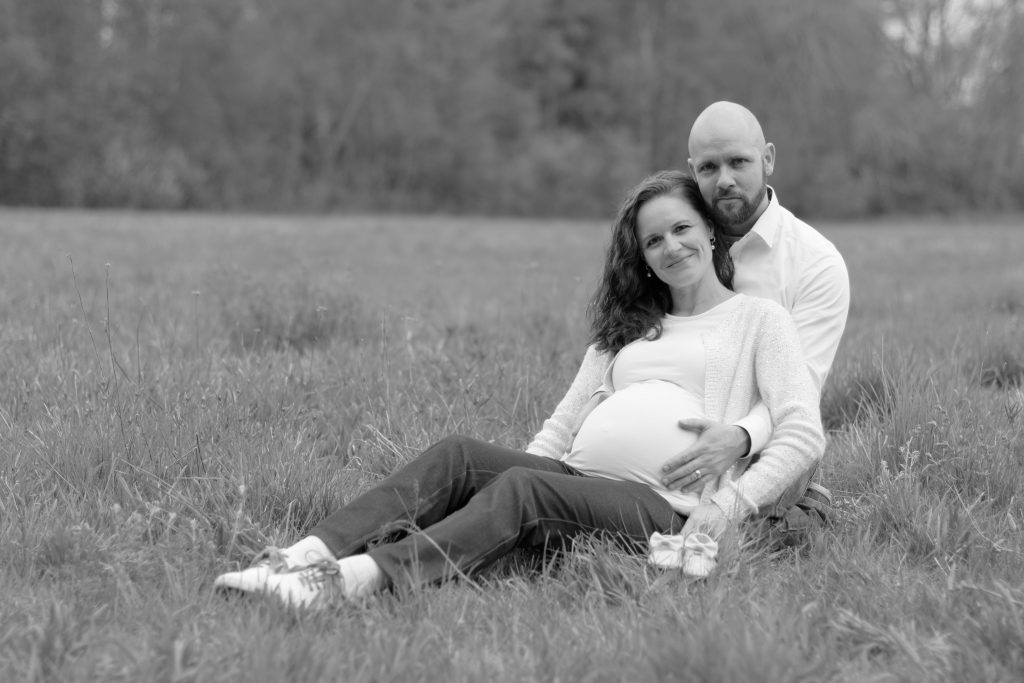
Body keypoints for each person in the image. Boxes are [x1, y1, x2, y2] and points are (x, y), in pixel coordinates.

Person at [213, 171, 825, 608]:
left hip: (664, 505)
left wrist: (727, 507)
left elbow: (803, 433)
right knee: (459, 454)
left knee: (523, 488)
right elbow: (561, 425)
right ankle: (304, 555)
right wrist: (517, 471)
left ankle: (349, 582)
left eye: (682, 228)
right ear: (640, 256)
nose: (672, 247)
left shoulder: (758, 320)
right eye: (653, 240)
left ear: (711, 232)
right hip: (578, 478)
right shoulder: (628, 328)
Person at [647, 101, 850, 536]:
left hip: (759, 445)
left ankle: (792, 510)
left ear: (768, 159)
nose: (725, 180)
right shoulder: (674, 246)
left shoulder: (815, 264)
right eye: (709, 167)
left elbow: (799, 391)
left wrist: (739, 438)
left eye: (738, 162)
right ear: (692, 171)